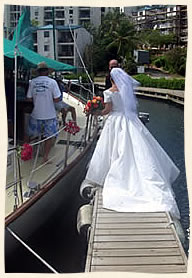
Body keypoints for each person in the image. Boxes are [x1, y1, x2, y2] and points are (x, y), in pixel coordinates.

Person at [85, 67, 180, 219]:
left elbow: (107, 110)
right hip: (129, 121)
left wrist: (94, 111)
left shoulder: (109, 92)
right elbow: (130, 107)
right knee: (133, 148)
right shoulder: (127, 90)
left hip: (115, 121)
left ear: (112, 79)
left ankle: (111, 173)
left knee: (114, 149)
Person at [26, 62, 61, 163]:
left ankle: (26, 154)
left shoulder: (32, 82)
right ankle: (45, 157)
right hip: (49, 115)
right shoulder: (52, 82)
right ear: (47, 72)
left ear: (38, 72)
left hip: (36, 114)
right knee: (48, 137)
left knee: (29, 135)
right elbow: (57, 98)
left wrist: (38, 99)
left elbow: (29, 98)